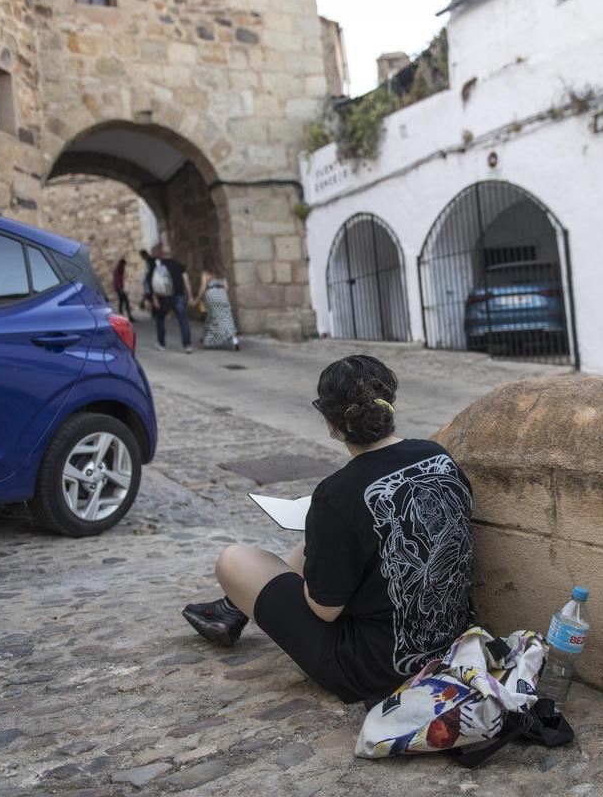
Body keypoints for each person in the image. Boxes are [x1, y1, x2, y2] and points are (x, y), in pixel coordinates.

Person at [182, 355, 475, 705]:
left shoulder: (337, 493)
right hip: (453, 642)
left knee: (233, 560)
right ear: (389, 406)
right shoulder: (437, 455)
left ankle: (235, 605)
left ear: (330, 423)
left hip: (373, 667)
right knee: (322, 541)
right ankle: (233, 609)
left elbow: (325, 611)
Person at [149, 245, 193, 353]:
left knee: (160, 319)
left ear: (162, 255)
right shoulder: (179, 265)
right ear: (171, 254)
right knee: (183, 320)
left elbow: (155, 283)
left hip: (163, 297)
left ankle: (161, 343)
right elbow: (186, 280)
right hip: (178, 296)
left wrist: (154, 298)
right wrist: (190, 295)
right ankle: (187, 345)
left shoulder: (158, 266)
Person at [192, 269, 240, 351]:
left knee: (213, 317)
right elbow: (226, 287)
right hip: (222, 294)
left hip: (211, 294)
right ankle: (234, 339)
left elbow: (203, 288)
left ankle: (209, 340)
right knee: (227, 317)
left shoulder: (206, 273)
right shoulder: (221, 273)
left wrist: (197, 299)